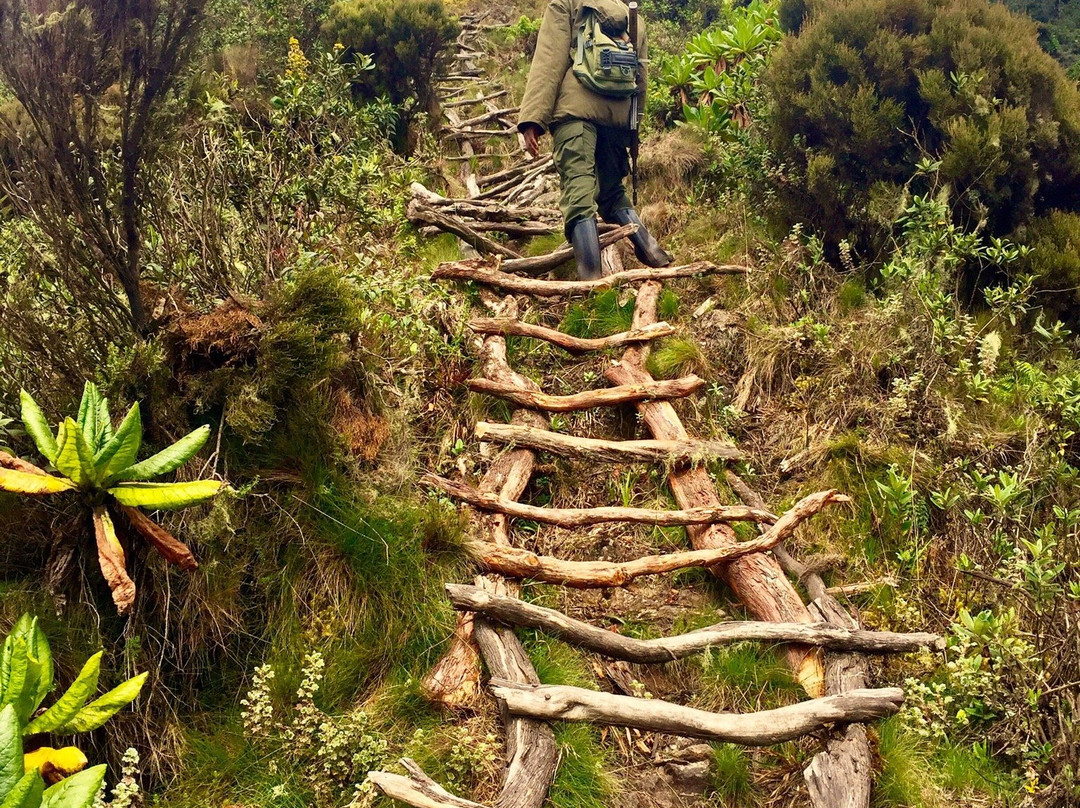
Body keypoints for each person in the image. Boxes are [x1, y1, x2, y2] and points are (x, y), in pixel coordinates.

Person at [517, 0, 673, 280]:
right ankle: (654, 253)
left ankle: (591, 283)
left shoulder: (566, 3)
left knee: (579, 191)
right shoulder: (630, 13)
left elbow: (549, 59)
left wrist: (533, 120)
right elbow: (641, 78)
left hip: (574, 111)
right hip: (617, 112)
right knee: (612, 192)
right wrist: (631, 129)